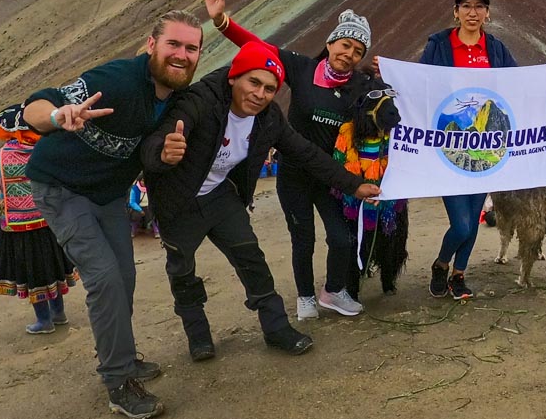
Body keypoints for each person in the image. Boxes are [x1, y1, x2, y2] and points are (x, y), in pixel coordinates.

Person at [141, 42, 379, 362]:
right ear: (233, 78)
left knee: (251, 257)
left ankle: (277, 328)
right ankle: (198, 334)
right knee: (182, 270)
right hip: (178, 201)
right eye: (253, 82)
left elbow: (306, 153)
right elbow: (155, 142)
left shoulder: (268, 118)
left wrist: (354, 185)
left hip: (220, 196)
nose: (260, 94)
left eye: (270, 88)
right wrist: (162, 154)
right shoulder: (200, 101)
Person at [23, 9, 204, 419]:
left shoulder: (177, 98)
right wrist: (57, 116)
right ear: (151, 45)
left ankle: (120, 354)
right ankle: (118, 380)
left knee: (125, 275)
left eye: (191, 48)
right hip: (60, 187)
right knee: (104, 279)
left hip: (108, 195)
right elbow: (37, 102)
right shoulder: (117, 80)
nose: (181, 55)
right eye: (173, 44)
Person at [203, 0, 374, 321]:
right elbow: (256, 47)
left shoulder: (362, 84)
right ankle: (306, 297)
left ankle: (333, 291)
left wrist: (390, 75)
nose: (349, 55)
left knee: (341, 238)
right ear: (330, 43)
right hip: (294, 173)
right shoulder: (302, 68)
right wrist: (222, 21)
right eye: (345, 45)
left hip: (331, 176)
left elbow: (391, 107)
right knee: (303, 239)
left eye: (358, 51)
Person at [419, 0, 518, 299]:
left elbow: (522, 85)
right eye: (466, 6)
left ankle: (459, 275)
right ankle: (440, 264)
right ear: (456, 12)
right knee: (461, 223)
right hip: (448, 147)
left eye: (479, 6)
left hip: (485, 149)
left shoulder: (497, 50)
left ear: (487, 13)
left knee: (474, 219)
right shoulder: (439, 46)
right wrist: (390, 74)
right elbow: (419, 82)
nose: (472, 12)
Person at [0, 104, 78, 334]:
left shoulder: (1, 157)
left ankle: (44, 321)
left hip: (18, 229)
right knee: (52, 267)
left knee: (33, 271)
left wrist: (5, 206)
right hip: (50, 223)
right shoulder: (47, 150)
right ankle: (59, 313)